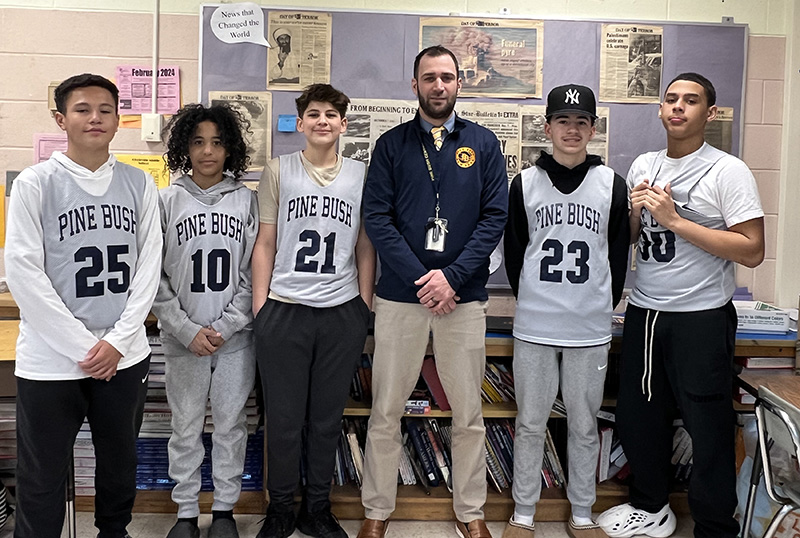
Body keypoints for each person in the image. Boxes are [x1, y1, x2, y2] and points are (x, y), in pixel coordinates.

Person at [597, 73, 765, 538]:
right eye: (670, 99)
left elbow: (751, 249)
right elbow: (632, 241)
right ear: (659, 108)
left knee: (707, 425)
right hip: (646, 312)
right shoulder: (644, 165)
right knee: (639, 416)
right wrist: (635, 215)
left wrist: (675, 220)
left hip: (701, 316)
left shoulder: (728, 171)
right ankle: (651, 508)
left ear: (709, 114)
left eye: (690, 101)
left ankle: (714, 526)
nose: (678, 107)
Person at [357, 45, 508, 538]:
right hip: (402, 297)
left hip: (462, 299)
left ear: (460, 83)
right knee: (386, 411)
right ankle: (377, 510)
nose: (438, 85)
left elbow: (494, 220)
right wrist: (424, 278)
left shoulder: (484, 145)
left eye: (447, 77)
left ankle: (471, 512)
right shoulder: (391, 145)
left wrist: (452, 278)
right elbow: (376, 219)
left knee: (468, 414)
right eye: (429, 77)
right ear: (415, 85)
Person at [4, 73, 162, 538]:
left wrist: (116, 342)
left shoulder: (139, 185)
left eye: (105, 110)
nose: (95, 118)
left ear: (118, 120)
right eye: (82, 109)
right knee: (43, 475)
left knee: (119, 464)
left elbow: (149, 267)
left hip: (124, 355)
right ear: (60, 118)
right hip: (52, 362)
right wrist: (85, 347)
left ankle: (114, 532)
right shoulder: (35, 183)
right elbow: (24, 274)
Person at [502, 84, 629, 538]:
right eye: (562, 121)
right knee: (531, 422)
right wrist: (535, 298)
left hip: (589, 326)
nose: (571, 130)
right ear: (547, 126)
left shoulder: (612, 184)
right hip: (535, 323)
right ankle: (523, 513)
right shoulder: (525, 183)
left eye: (581, 122)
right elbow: (515, 253)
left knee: (583, 425)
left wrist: (599, 305)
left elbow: (618, 255)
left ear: (593, 129)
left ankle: (581, 513)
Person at [252, 83, 375, 538]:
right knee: (283, 420)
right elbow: (265, 241)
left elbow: (365, 244)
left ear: (344, 124)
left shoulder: (361, 175)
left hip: (340, 309)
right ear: (300, 123)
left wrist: (363, 304)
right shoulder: (279, 170)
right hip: (284, 309)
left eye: (332, 115)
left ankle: (317, 508)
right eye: (314, 114)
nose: (323, 121)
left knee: (326, 420)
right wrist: (261, 306)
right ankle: (282, 506)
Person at [153, 103, 258, 538]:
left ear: (230, 148)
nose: (208, 151)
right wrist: (185, 328)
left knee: (232, 424)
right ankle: (185, 512)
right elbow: (151, 276)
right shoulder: (165, 200)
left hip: (234, 337)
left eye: (217, 142)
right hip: (183, 339)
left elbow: (257, 272)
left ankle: (225, 511)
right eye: (198, 142)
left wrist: (228, 324)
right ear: (184, 148)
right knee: (186, 425)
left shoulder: (247, 200)